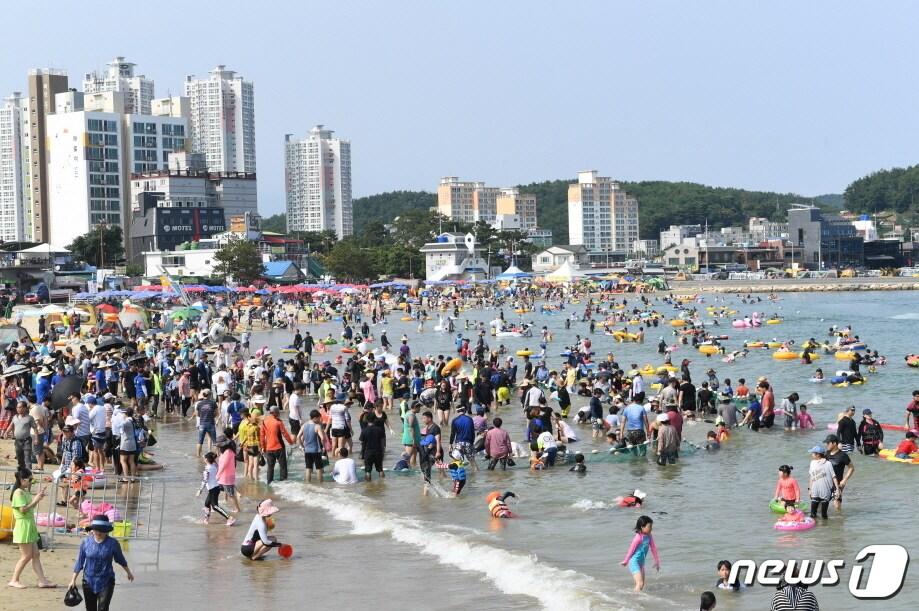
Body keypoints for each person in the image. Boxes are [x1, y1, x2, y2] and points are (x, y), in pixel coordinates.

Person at [69, 514, 134, 610]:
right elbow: (80, 562)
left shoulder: (113, 543)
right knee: (90, 608)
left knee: (103, 608)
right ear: (92, 529)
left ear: (107, 530)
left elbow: (120, 559)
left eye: (102, 529)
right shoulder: (85, 543)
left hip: (107, 580)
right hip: (88, 581)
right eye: (96, 529)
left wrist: (129, 572)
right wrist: (73, 580)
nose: (99, 532)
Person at [8, 467, 55, 589]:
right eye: (30, 479)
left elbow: (29, 506)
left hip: (29, 524)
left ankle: (42, 580)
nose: (31, 482)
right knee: (26, 556)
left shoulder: (24, 491)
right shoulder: (18, 492)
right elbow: (23, 510)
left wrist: (38, 497)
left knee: (35, 554)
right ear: (22, 480)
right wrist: (36, 500)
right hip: (23, 525)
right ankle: (14, 579)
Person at [621, 515, 660, 592]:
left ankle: (633, 599)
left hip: (641, 563)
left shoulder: (649, 536)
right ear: (642, 527)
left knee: (641, 585)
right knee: (640, 583)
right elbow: (631, 550)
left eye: (651, 526)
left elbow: (653, 548)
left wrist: (657, 561)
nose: (651, 529)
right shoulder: (638, 538)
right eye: (649, 526)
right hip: (634, 562)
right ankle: (634, 600)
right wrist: (626, 561)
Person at [196, 451, 235, 525]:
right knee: (207, 504)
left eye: (204, 458)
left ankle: (229, 518)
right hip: (215, 488)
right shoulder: (214, 465)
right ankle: (206, 520)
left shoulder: (207, 470)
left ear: (207, 460)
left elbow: (204, 480)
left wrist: (199, 490)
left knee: (214, 506)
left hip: (213, 489)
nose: (204, 459)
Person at [259, 406, 294, 485]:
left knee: (270, 467)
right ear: (275, 413)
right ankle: (283, 484)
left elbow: (262, 436)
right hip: (279, 447)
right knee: (283, 466)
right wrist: (291, 442)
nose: (279, 414)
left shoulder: (264, 421)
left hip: (269, 448)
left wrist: (263, 447)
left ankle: (269, 483)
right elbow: (284, 434)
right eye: (278, 412)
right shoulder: (278, 422)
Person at [808, 445, 839, 519]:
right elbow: (811, 477)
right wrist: (810, 489)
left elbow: (833, 477)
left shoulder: (828, 463)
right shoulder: (812, 463)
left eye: (813, 453)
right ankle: (816, 529)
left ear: (818, 454)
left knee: (824, 515)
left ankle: (825, 528)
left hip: (825, 491)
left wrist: (837, 489)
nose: (811, 454)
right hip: (815, 490)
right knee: (812, 514)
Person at [824, 434, 854, 511]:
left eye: (828, 443)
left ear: (834, 443)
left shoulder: (843, 455)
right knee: (822, 503)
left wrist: (844, 480)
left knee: (836, 504)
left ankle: (839, 520)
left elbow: (851, 468)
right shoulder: (826, 454)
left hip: (837, 483)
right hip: (826, 482)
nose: (826, 445)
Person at [296, 409, 327, 483]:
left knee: (308, 468)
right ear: (315, 418)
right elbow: (322, 438)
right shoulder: (317, 426)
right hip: (316, 450)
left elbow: (298, 437)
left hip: (307, 451)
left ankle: (308, 484)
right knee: (319, 468)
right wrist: (323, 447)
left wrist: (302, 446)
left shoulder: (304, 425)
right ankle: (321, 484)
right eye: (319, 418)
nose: (320, 419)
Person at [358, 413, 386, 481]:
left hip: (368, 453)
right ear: (375, 419)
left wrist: (362, 453)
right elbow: (382, 443)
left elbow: (362, 442)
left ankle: (368, 486)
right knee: (380, 469)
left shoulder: (364, 431)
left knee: (368, 471)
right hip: (378, 452)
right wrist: (382, 452)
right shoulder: (380, 430)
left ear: (367, 420)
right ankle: (382, 483)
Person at [216, 437, 241, 513]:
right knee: (220, 492)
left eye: (218, 446)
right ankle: (218, 504)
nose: (218, 447)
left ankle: (237, 509)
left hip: (226, 477)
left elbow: (224, 465)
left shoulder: (228, 453)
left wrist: (218, 475)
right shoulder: (225, 452)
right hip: (224, 477)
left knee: (231, 494)